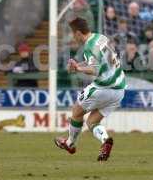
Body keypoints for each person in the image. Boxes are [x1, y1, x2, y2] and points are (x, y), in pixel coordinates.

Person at [54, 17, 126, 161]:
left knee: (76, 111)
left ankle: (70, 144)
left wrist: (78, 68)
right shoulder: (101, 38)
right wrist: (79, 64)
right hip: (120, 89)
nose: (74, 37)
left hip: (104, 87)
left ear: (79, 33)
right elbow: (100, 61)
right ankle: (105, 141)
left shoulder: (88, 46)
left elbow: (94, 70)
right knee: (92, 122)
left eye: (74, 34)